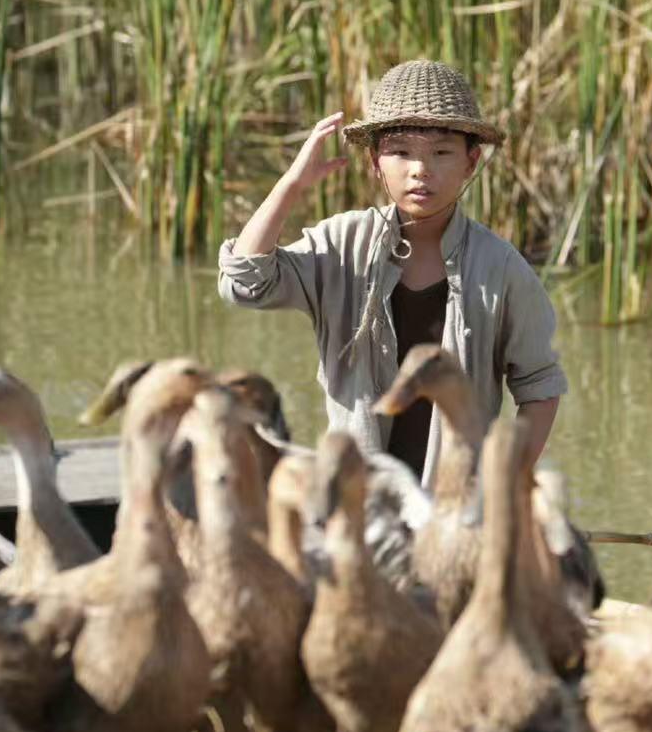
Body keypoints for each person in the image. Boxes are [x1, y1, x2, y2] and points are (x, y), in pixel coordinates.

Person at [217, 59, 565, 483]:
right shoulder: (341, 245)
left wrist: (506, 484)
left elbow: (540, 386)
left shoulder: (500, 267)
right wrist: (291, 184)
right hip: (357, 498)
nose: (420, 170)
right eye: (401, 152)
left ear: (471, 163)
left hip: (455, 505)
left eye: (441, 153)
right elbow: (244, 284)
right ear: (375, 162)